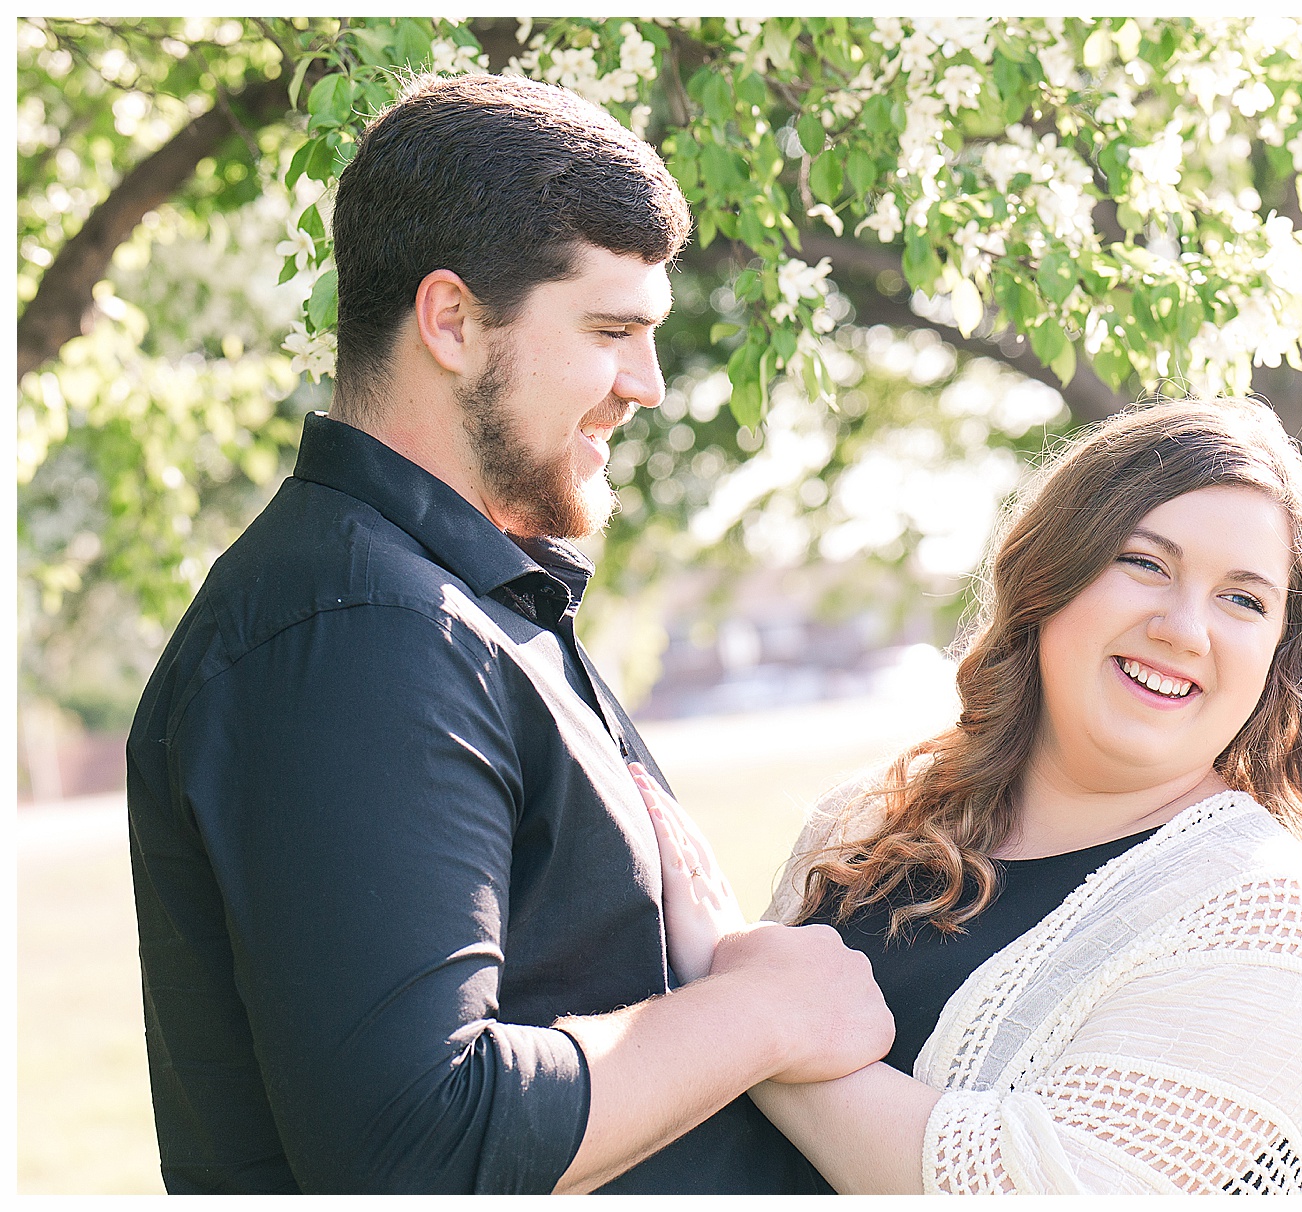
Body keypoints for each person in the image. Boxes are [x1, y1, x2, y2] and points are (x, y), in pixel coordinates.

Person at [125, 73, 893, 1195]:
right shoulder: (361, 633)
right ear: (451, 321)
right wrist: (759, 1013)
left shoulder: (466, 599)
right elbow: (414, 1144)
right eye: (611, 330)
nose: (650, 385)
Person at [646, 396, 1302, 1194]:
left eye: (1243, 599)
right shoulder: (869, 820)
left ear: (1280, 654)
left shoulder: (1275, 923)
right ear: (1050, 577)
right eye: (1145, 563)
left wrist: (744, 1005)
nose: (1183, 627)